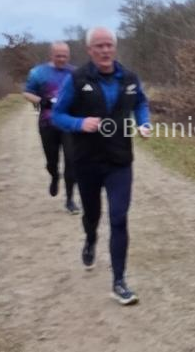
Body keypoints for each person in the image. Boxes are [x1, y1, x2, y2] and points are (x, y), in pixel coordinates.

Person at [52, 27, 150, 306]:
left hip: (120, 160)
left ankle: (119, 281)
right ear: (89, 50)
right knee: (92, 215)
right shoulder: (77, 79)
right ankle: (90, 238)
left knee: (119, 218)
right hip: (87, 160)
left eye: (109, 45)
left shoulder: (129, 78)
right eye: (99, 46)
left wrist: (144, 123)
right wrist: (79, 123)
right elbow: (57, 115)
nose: (105, 50)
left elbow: (141, 103)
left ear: (115, 48)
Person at [23, 41, 80, 214]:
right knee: (52, 161)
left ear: (69, 56)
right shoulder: (38, 72)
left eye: (65, 56)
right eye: (58, 56)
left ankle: (70, 200)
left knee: (71, 161)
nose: (62, 59)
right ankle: (54, 175)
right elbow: (27, 93)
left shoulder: (76, 73)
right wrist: (42, 101)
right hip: (47, 124)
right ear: (51, 55)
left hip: (69, 123)